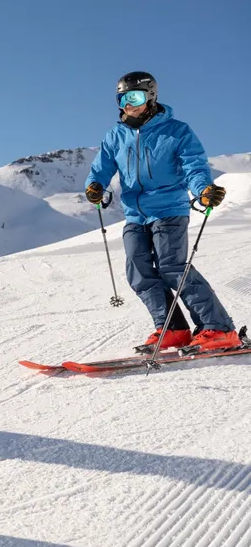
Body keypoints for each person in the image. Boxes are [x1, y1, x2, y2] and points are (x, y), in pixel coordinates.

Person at [85, 71, 238, 352]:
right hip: (134, 213)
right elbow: (101, 168)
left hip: (169, 208)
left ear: (151, 97)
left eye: (135, 97)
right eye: (123, 99)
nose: (129, 104)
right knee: (139, 272)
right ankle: (172, 329)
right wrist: (95, 186)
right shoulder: (115, 135)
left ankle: (218, 328)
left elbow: (194, 165)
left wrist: (203, 189)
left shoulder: (176, 131)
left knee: (171, 267)